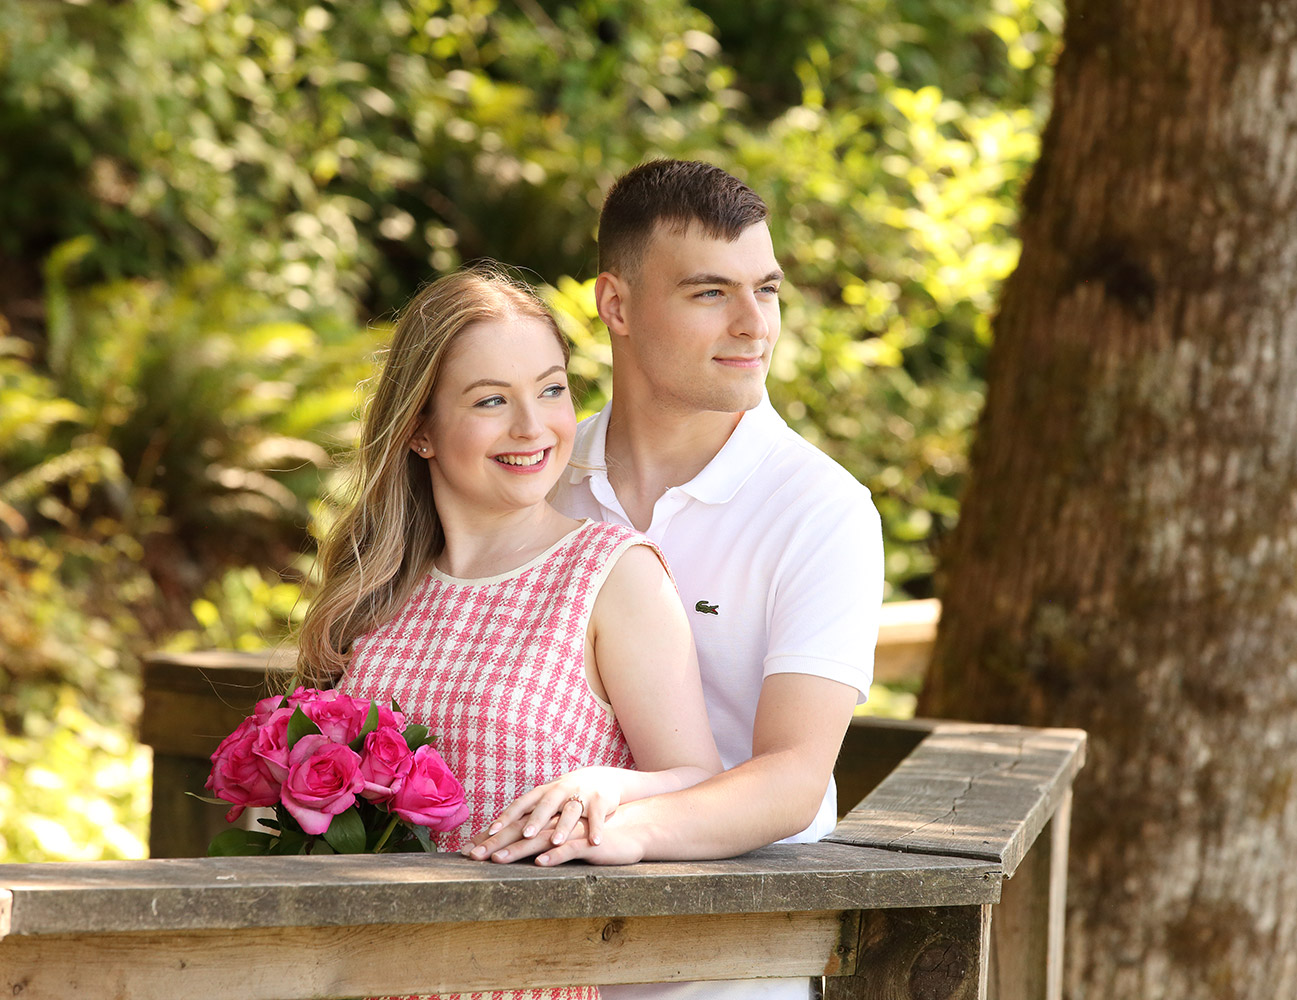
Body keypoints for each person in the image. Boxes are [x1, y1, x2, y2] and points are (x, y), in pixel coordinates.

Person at [466, 160, 884, 1000]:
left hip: (724, 964)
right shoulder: (539, 473)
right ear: (615, 304)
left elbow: (793, 780)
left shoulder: (821, 509)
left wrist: (622, 825)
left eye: (765, 289)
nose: (752, 325)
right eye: (709, 293)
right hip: (523, 949)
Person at [293, 266, 723, 1000]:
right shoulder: (375, 589)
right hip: (359, 976)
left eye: (551, 389)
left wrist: (606, 787)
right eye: (492, 400)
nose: (533, 426)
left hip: (523, 982)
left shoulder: (612, 576)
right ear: (420, 429)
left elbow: (699, 782)